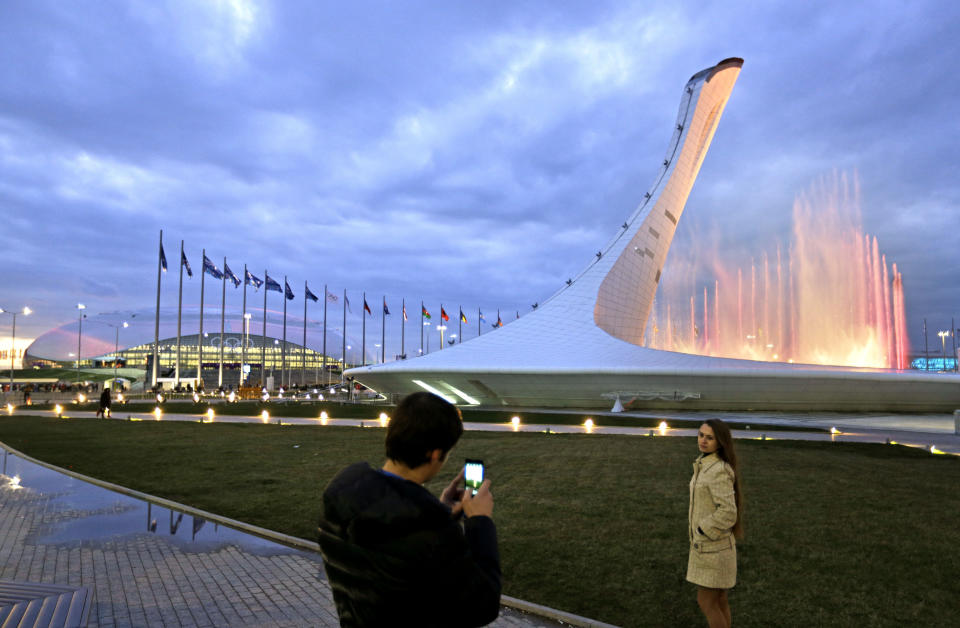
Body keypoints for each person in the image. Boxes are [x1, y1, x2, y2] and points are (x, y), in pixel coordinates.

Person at [317, 392, 500, 627]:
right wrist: (480, 522)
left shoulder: (340, 493)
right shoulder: (429, 527)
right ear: (435, 454)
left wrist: (442, 510)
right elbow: (482, 606)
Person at [687, 418, 744, 628]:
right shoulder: (705, 464)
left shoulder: (718, 469)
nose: (703, 440)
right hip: (712, 546)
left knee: (706, 601)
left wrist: (702, 529)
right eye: (701, 435)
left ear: (720, 442)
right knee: (719, 600)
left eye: (709, 438)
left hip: (713, 549)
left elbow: (729, 512)